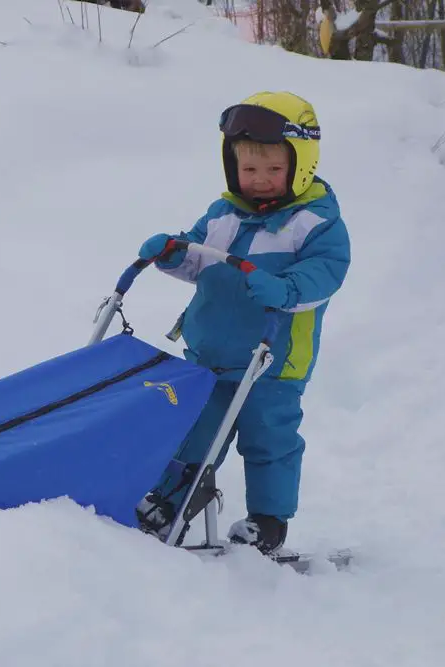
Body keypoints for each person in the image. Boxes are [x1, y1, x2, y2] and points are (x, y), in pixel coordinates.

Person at [134, 91, 351, 554]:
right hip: (212, 356)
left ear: (302, 164)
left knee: (268, 439)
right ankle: (168, 503)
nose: (261, 181)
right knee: (194, 433)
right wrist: (170, 253)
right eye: (249, 170)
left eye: (274, 170)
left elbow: (326, 273)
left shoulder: (316, 222)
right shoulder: (222, 215)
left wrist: (287, 287)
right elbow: (195, 257)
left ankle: (267, 522)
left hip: (273, 361)